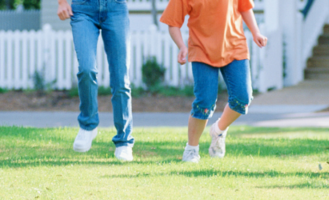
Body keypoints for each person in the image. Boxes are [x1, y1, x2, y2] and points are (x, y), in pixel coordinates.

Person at [160, 0, 267, 163]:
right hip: (202, 49)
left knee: (242, 98)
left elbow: (244, 7)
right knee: (204, 102)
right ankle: (191, 150)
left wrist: (255, 32)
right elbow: (172, 23)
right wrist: (182, 46)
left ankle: (218, 130)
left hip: (234, 46)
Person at [57, 0, 135, 161]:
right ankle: (88, 125)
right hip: (83, 8)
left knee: (121, 78)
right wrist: (62, 2)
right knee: (87, 69)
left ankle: (124, 141)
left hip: (116, 8)